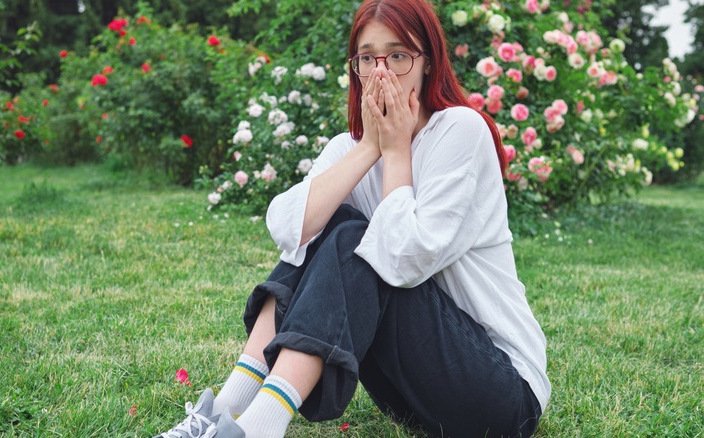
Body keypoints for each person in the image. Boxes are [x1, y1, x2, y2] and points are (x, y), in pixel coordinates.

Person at [155, 0, 550, 436]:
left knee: (354, 237)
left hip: (501, 396)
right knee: (331, 221)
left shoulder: (460, 131)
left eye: (398, 56)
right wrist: (370, 149)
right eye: (367, 58)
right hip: (411, 399)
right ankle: (226, 409)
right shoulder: (351, 148)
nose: (381, 73)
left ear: (428, 63)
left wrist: (397, 150)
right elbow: (289, 231)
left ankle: (258, 428)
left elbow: (404, 260)